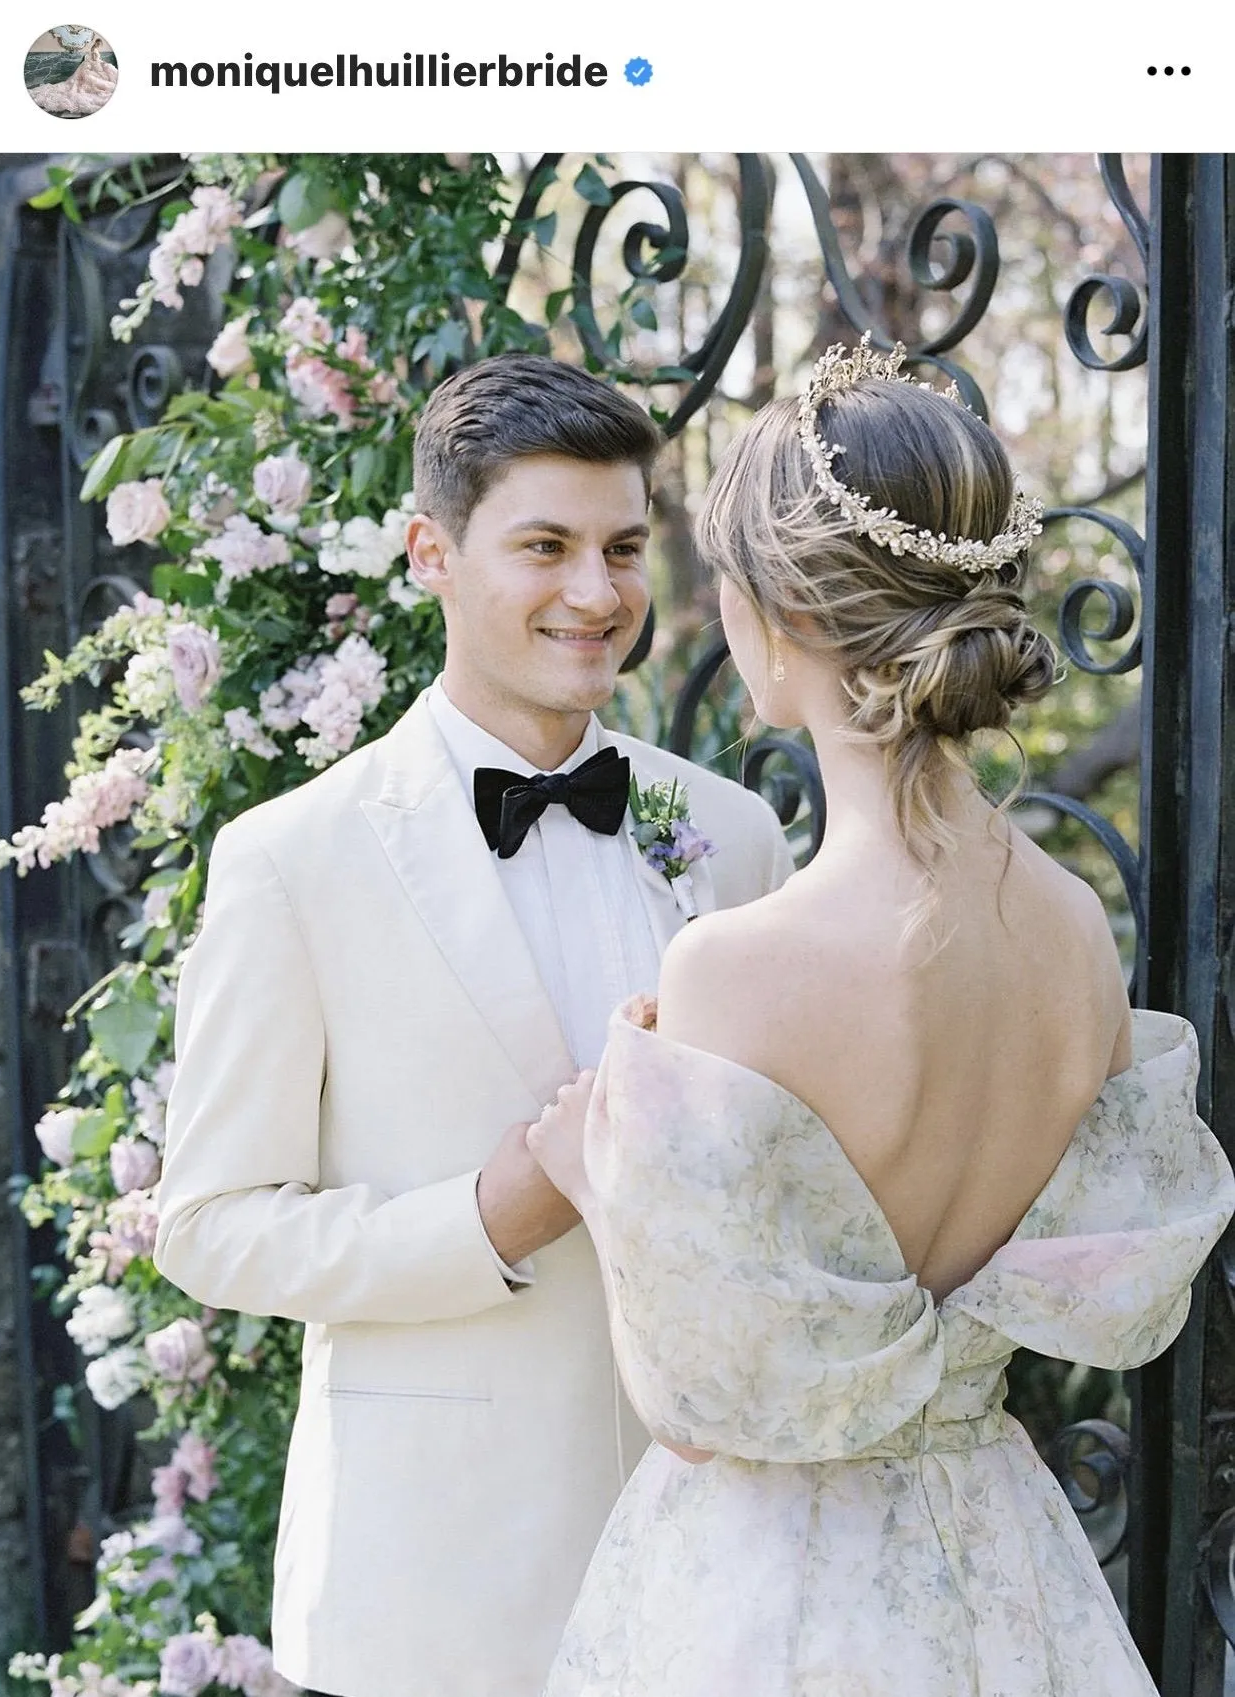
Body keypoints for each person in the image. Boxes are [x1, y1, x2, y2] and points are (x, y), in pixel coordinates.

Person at [526, 338, 1235, 1697]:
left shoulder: (736, 965)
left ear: (774, 622)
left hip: (773, 1590)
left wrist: (590, 1175)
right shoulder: (1073, 936)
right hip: (1001, 1563)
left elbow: (696, 1399)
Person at [152, 352, 794, 1697]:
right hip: (432, 1590)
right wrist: (488, 1218)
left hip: (713, 1562)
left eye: (622, 548)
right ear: (429, 552)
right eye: (544, 546)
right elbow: (210, 1227)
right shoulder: (292, 859)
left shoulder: (723, 834)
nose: (596, 593)